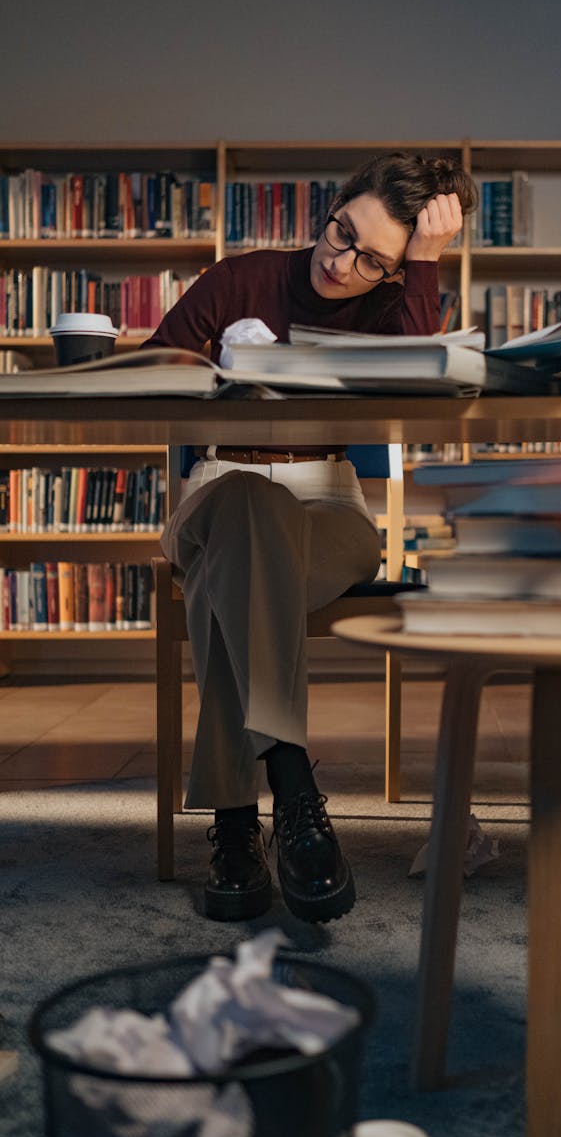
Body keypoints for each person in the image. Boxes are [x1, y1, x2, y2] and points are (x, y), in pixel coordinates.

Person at [143, 152, 477, 926]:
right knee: (246, 511)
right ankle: (293, 793)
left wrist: (422, 264)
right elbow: (151, 376)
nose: (340, 260)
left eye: (371, 260)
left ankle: (236, 830)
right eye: (340, 231)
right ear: (331, 209)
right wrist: (218, 378)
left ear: (396, 270)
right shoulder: (239, 280)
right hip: (219, 493)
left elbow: (421, 399)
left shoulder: (397, 304)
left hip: (329, 506)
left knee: (234, 587)